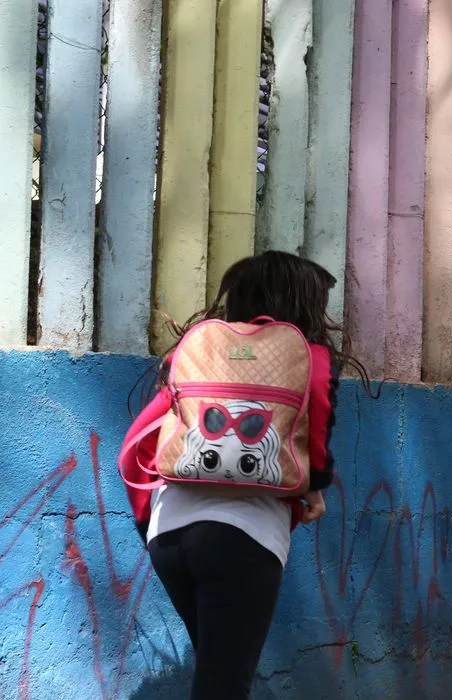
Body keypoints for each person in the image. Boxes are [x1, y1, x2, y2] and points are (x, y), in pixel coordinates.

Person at [119, 251, 369, 699]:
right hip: (245, 540)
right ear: (304, 306)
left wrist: (151, 528)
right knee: (224, 685)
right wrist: (315, 488)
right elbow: (317, 439)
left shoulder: (195, 353)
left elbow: (133, 449)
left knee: (217, 675)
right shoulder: (310, 358)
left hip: (168, 537)